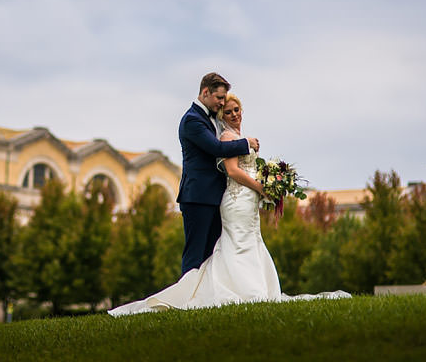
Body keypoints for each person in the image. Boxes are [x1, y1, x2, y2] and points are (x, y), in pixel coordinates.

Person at [108, 92, 348, 316]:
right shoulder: (227, 137)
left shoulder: (241, 138)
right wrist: (260, 187)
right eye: (228, 112)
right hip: (235, 200)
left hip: (248, 202)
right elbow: (232, 171)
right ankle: (238, 290)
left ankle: (258, 288)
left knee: (251, 240)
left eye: (236, 110)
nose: (234, 115)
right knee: (237, 243)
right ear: (222, 116)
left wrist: (270, 182)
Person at [176, 73, 258, 276]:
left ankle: (204, 298)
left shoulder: (212, 119)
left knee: (211, 255)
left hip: (214, 196)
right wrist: (247, 143)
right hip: (197, 197)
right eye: (219, 98)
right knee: (195, 254)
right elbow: (216, 148)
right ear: (205, 92)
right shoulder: (192, 120)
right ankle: (187, 299)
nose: (222, 103)